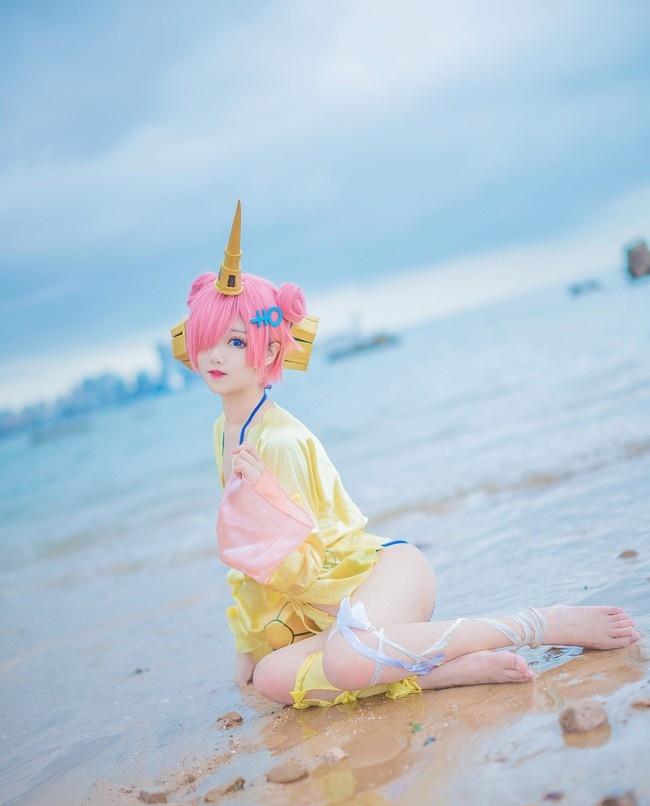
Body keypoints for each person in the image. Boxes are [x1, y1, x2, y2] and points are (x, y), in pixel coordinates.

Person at [171, 201, 641, 710]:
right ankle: (437, 674)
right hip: (327, 611)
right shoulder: (226, 431)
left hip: (382, 577)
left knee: (345, 661)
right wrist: (248, 644)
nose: (215, 354)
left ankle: (539, 623)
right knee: (270, 677)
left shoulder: (279, 442)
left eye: (235, 341)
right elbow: (245, 558)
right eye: (207, 340)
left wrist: (267, 505)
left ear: (267, 352)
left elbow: (296, 562)